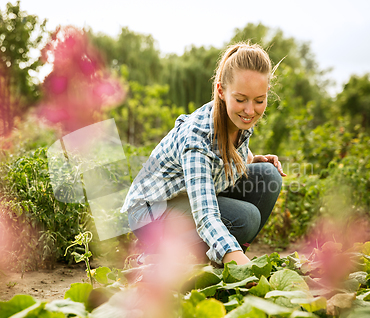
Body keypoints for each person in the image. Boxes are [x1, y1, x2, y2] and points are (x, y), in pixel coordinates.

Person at [120, 42, 286, 266]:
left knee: (268, 175)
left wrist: (251, 159)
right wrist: (247, 270)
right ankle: (159, 256)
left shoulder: (239, 119)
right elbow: (206, 215)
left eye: (259, 100)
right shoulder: (198, 138)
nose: (250, 110)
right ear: (221, 91)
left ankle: (225, 256)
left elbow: (230, 147)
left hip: (186, 198)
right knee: (245, 219)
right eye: (240, 99)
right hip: (151, 214)